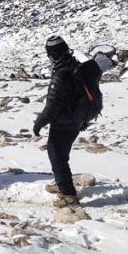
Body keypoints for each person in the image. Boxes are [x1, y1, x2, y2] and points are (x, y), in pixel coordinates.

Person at [33, 36, 82, 207]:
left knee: (56, 156)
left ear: (52, 55)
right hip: (77, 118)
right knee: (62, 153)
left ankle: (68, 194)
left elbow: (53, 105)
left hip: (64, 122)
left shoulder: (61, 74)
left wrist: (38, 123)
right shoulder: (74, 66)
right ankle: (61, 182)